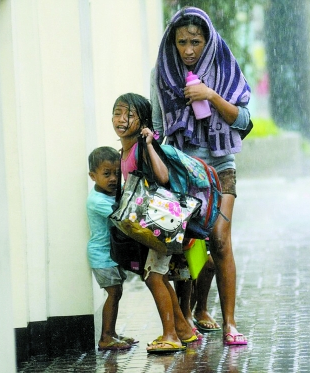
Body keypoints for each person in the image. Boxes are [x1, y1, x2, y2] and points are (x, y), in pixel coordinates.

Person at [151, 6, 251, 345]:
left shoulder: (224, 66)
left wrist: (210, 95)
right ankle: (190, 313)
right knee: (188, 245)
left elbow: (244, 121)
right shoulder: (164, 73)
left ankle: (230, 323)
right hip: (183, 170)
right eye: (182, 42)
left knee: (220, 239)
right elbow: (159, 128)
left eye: (195, 41)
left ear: (207, 41)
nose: (189, 49)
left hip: (221, 167)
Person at [111, 93, 199, 353]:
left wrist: (149, 144)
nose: (122, 119)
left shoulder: (141, 146)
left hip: (160, 223)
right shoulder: (123, 150)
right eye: (118, 112)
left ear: (143, 120)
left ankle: (170, 334)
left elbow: (162, 177)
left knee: (154, 277)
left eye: (130, 114)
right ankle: (183, 330)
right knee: (156, 276)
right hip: (148, 228)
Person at [86, 146, 138, 351]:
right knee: (114, 293)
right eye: (106, 174)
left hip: (111, 254)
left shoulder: (109, 194)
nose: (113, 179)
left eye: (117, 173)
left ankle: (112, 333)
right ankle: (106, 337)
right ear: (93, 176)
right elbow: (121, 216)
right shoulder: (97, 201)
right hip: (102, 256)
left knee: (117, 292)